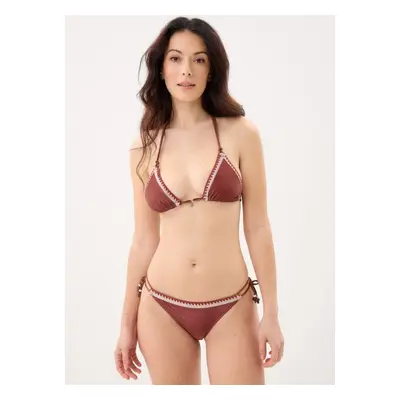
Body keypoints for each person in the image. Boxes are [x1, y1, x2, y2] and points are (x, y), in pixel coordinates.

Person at [114, 16, 284, 385]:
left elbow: (258, 228)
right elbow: (143, 240)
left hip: (231, 304)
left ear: (212, 70)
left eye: (199, 59)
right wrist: (126, 325)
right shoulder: (144, 146)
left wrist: (271, 314)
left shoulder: (241, 134)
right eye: (175, 58)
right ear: (161, 68)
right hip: (161, 307)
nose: (186, 70)